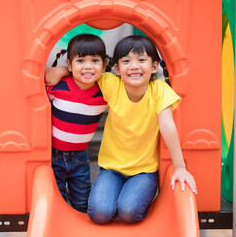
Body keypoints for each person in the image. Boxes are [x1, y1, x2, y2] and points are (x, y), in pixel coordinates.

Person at [45, 35, 197, 223]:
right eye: (126, 61)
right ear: (116, 69)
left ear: (154, 66)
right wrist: (62, 70)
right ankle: (115, 199)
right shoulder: (111, 84)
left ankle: (129, 198)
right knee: (99, 214)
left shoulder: (159, 90)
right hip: (111, 169)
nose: (133, 66)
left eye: (142, 60)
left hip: (144, 171)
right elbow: (85, 71)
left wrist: (180, 167)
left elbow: (167, 125)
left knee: (129, 212)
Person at [46, 34, 108, 213]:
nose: (88, 66)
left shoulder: (104, 93)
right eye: (81, 60)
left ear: (103, 65)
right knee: (57, 201)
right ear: (69, 64)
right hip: (53, 156)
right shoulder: (58, 87)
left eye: (95, 60)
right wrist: (61, 71)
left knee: (82, 202)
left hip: (80, 157)